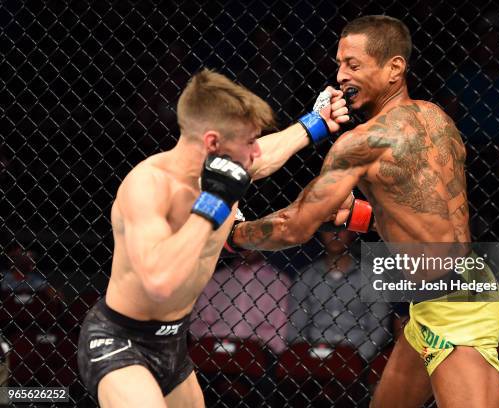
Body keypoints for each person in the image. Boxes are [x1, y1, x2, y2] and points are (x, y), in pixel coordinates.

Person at [228, 16, 499, 407]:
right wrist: (361, 214)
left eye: (353, 65)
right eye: (339, 64)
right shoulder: (437, 118)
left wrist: (233, 234)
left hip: (453, 308)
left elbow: (295, 227)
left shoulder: (362, 143)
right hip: (459, 284)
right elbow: (426, 212)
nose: (341, 76)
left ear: (394, 68)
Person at [76, 68, 350, 408]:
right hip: (120, 341)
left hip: (173, 342)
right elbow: (158, 281)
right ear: (212, 143)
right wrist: (212, 206)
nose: (256, 153)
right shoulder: (149, 187)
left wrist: (315, 123)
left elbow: (268, 153)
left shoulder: (223, 166)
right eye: (249, 142)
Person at [288, 230, 392, 362]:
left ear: (352, 233)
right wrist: (303, 354)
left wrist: (359, 356)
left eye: (342, 229)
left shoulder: (371, 276)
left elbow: (379, 326)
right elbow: (295, 325)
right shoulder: (306, 276)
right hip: (313, 353)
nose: (335, 234)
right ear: (320, 233)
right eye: (329, 229)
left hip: (355, 354)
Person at [190, 250, 290, 355]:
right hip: (214, 347)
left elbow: (281, 329)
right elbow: (197, 323)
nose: (249, 249)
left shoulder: (279, 281)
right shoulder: (216, 278)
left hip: (260, 351)